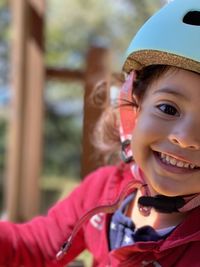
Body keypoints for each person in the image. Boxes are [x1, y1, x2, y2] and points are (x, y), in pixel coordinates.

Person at [1, 0, 200, 266]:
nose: (185, 137)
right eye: (168, 108)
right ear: (134, 107)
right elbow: (35, 246)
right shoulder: (102, 191)